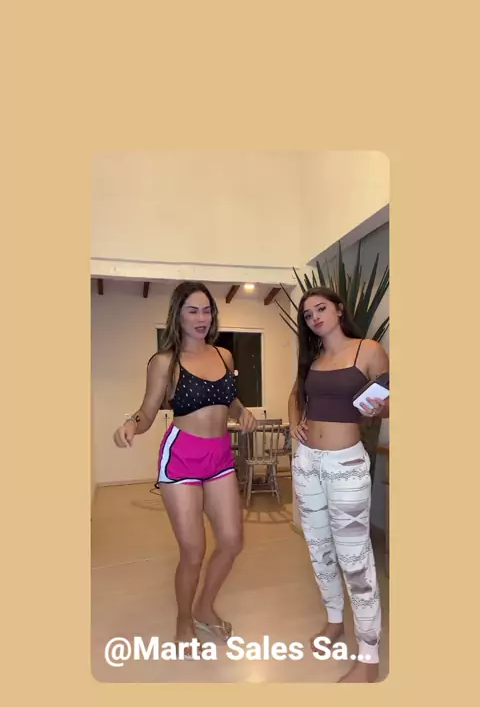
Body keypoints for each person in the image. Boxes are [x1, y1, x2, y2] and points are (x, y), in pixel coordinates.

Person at [113, 281, 256, 657]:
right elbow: (148, 410)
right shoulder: (165, 361)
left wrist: (242, 411)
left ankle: (204, 607)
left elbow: (230, 398)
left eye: (206, 310)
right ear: (177, 314)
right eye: (192, 310)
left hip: (220, 456)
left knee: (232, 542)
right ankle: (183, 620)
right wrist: (130, 424)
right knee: (193, 550)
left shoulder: (224, 356)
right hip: (182, 457)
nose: (201, 317)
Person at [288, 286, 389, 683]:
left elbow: (392, 399)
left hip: (346, 464)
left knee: (355, 560)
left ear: (339, 310)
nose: (314, 317)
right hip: (307, 463)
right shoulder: (312, 359)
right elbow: (295, 395)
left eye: (321, 308)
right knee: (319, 550)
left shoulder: (368, 350)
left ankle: (369, 658)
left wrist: (382, 406)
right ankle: (334, 621)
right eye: (308, 313)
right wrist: (295, 422)